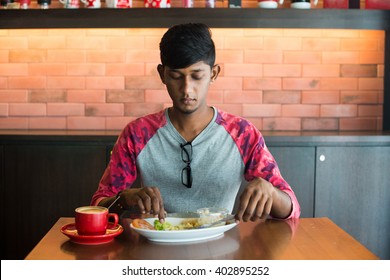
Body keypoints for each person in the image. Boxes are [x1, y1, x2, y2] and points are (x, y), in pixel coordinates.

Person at [91, 23, 300, 222]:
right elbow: (99, 205)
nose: (186, 89)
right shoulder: (138, 134)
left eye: (197, 76)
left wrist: (271, 192)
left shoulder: (242, 134)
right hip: (156, 248)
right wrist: (125, 199)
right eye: (176, 76)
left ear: (214, 74)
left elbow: (292, 209)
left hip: (220, 249)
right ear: (162, 74)